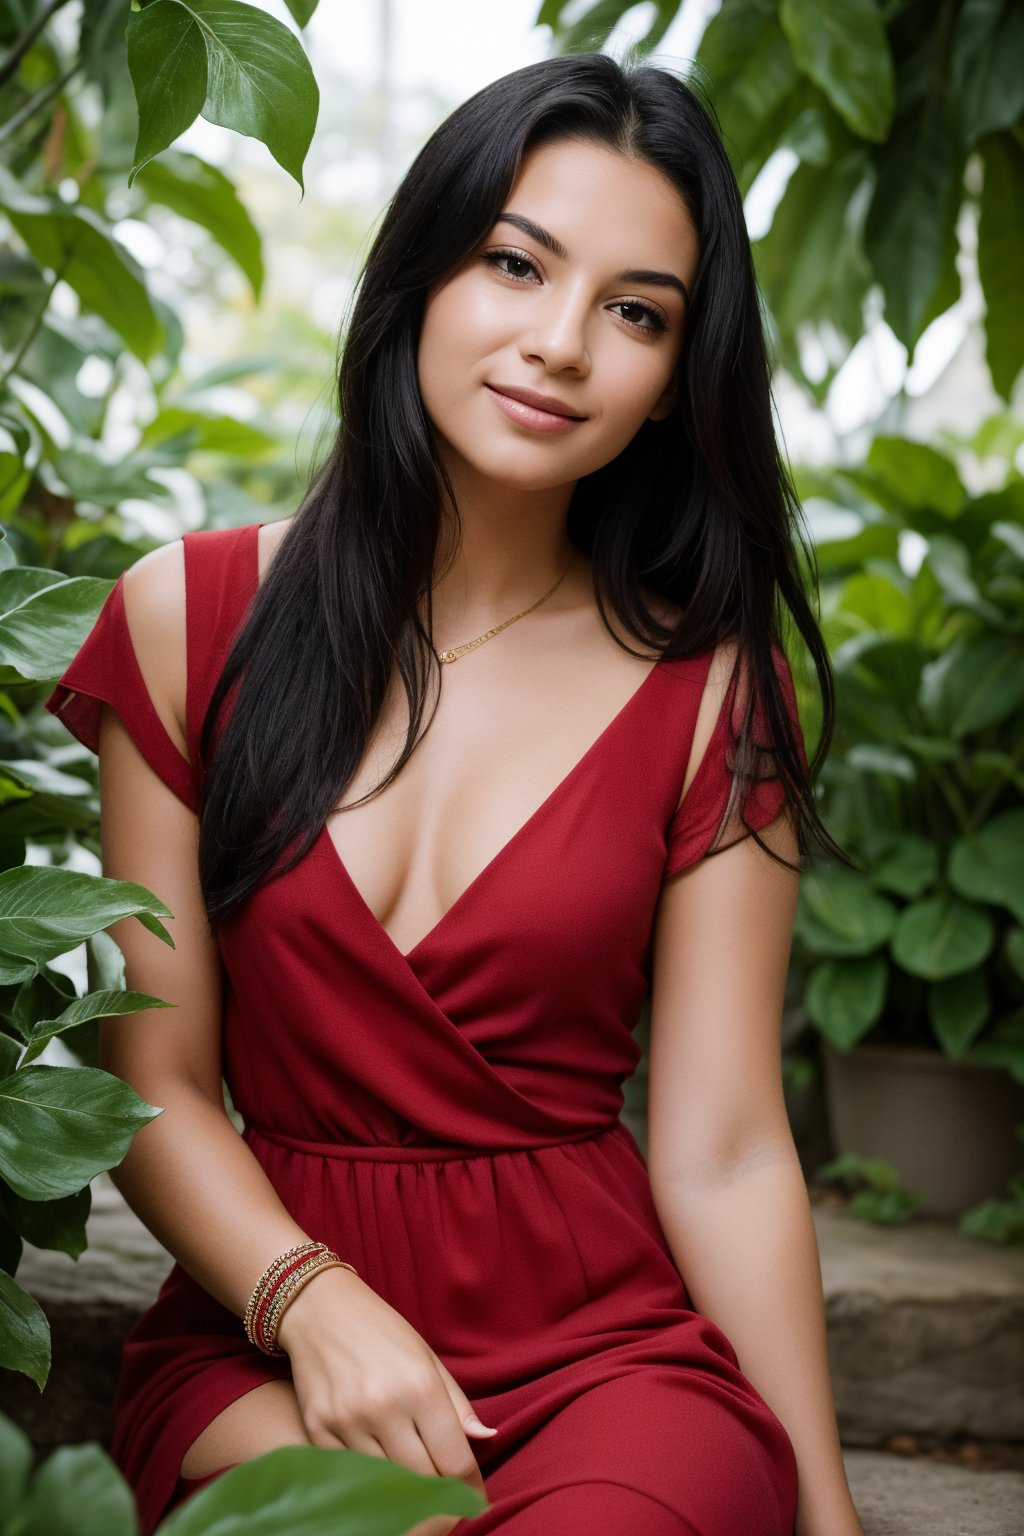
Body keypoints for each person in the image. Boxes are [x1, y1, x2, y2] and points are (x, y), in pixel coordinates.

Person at [45, 50, 864, 1536]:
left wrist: (823, 1510)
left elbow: (726, 1142)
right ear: (422, 275)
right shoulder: (189, 617)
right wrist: (308, 1298)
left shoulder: (715, 690)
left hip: (607, 1358)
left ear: (680, 382)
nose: (561, 342)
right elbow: (151, 1082)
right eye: (514, 263)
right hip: (261, 1335)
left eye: (636, 312)